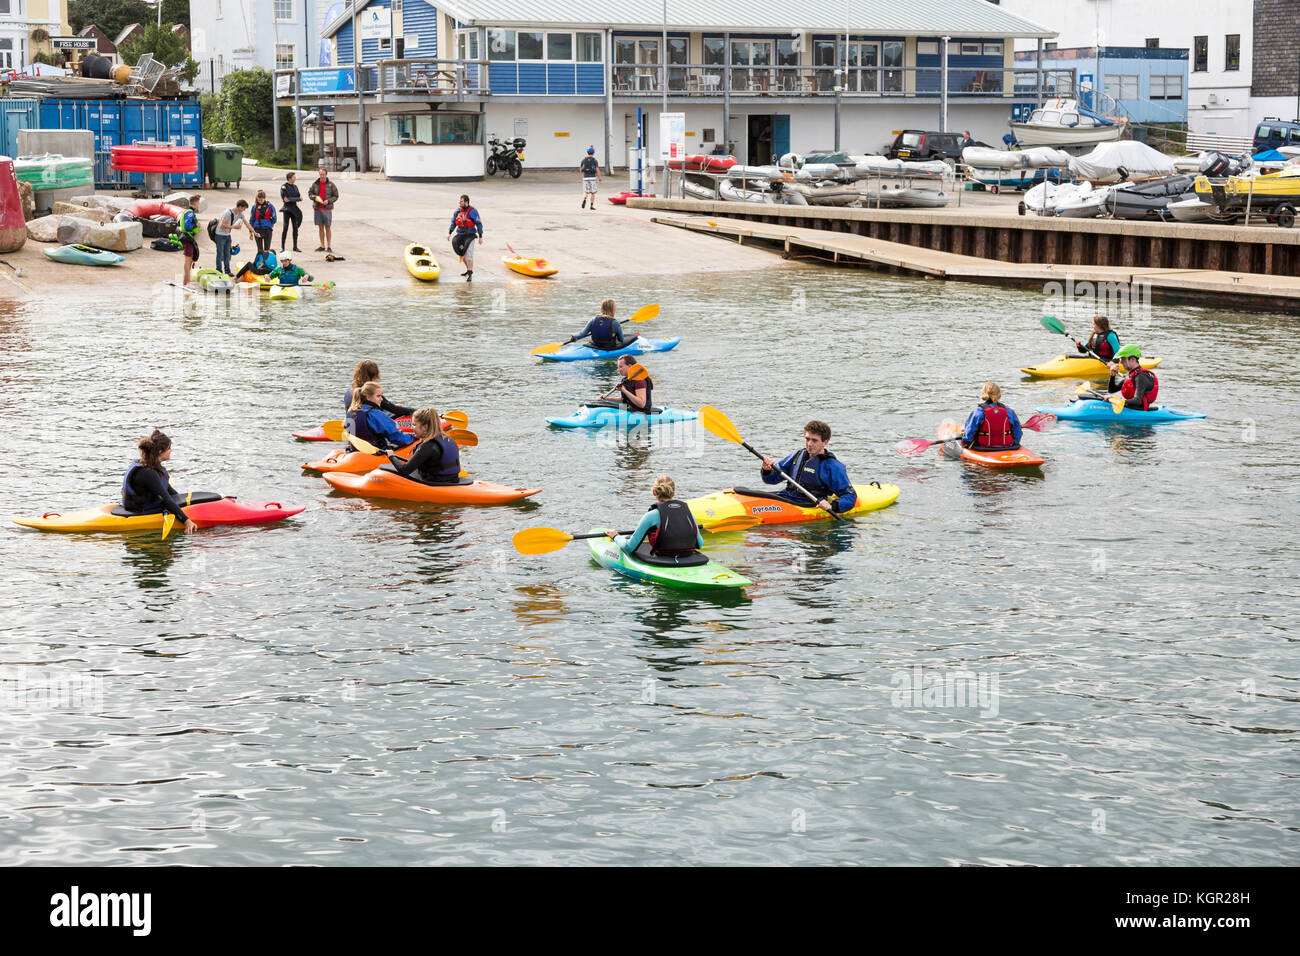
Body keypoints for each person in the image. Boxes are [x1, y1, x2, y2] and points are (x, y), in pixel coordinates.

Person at [760, 419, 857, 514]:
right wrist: (766, 470)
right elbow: (771, 480)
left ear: (825, 442)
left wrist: (833, 506)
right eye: (807, 439)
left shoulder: (832, 466)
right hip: (786, 497)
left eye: (814, 440)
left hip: (809, 503)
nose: (809, 444)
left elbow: (850, 495)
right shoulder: (797, 456)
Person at [604, 475, 703, 559]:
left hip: (663, 559)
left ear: (654, 492)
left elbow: (629, 547)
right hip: (687, 558)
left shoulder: (651, 516)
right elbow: (700, 544)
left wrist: (615, 536)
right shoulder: (687, 512)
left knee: (629, 540)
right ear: (673, 493)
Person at [121, 429, 198, 534]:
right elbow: (166, 499)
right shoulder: (147, 473)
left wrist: (187, 507)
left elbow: (170, 492)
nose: (171, 451)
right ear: (160, 451)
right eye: (169, 448)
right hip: (141, 510)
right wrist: (187, 521)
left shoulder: (155, 468)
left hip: (148, 504)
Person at [383, 407, 461, 484]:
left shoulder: (428, 446)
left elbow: (404, 471)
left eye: (414, 425)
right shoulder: (447, 438)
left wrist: (391, 456)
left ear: (425, 427)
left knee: (382, 472)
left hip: (436, 480)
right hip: (453, 478)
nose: (411, 428)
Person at [345, 381, 415, 451]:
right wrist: (413, 437)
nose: (381, 399)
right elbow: (396, 437)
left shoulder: (351, 412)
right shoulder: (375, 413)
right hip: (374, 452)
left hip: (355, 450)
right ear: (368, 397)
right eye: (378, 396)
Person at [960, 381, 1023, 450]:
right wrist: (1014, 444)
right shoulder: (1009, 411)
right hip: (1008, 447)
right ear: (999, 394)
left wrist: (964, 438)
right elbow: (1018, 433)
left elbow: (968, 436)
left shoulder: (979, 411)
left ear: (984, 393)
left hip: (982, 448)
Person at [343, 359, 415, 417]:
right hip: (369, 428)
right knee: (407, 412)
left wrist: (390, 407)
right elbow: (395, 410)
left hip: (354, 426)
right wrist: (418, 412)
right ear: (374, 377)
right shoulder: (369, 391)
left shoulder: (350, 390)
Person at [573, 298, 638, 352]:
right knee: (632, 337)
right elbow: (621, 339)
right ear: (612, 309)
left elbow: (582, 334)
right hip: (608, 347)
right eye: (615, 307)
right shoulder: (615, 323)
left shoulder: (593, 319)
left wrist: (574, 336)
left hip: (594, 345)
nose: (615, 308)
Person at [1106, 344, 1159, 410]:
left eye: (1123, 359)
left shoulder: (1141, 376)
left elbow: (1137, 400)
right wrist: (1112, 375)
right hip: (1132, 407)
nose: (1121, 362)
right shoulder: (1132, 375)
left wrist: (1117, 401)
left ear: (1132, 359)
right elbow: (1111, 390)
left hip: (1140, 410)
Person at [447, 193, 483, 281]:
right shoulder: (457, 212)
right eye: (460, 201)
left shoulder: (473, 211)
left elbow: (478, 223)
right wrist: (450, 233)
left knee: (469, 256)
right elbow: (453, 223)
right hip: (460, 235)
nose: (459, 202)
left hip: (470, 235)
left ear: (466, 202)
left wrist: (480, 236)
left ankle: (470, 274)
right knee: (463, 257)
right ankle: (468, 270)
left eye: (461, 201)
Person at [214, 199, 253, 276]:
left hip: (227, 235)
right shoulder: (227, 213)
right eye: (244, 208)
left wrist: (254, 232)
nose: (244, 210)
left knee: (227, 254)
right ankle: (218, 271)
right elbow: (222, 225)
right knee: (220, 253)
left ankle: (227, 271)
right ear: (239, 207)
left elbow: (247, 224)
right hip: (220, 235)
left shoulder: (239, 214)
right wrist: (234, 227)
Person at [308, 166, 339, 252]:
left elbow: (336, 196)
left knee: (328, 228)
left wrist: (328, 201)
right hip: (317, 209)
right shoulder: (315, 184)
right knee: (320, 228)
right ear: (319, 174)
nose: (322, 176)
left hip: (327, 209)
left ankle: (329, 246)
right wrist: (315, 197)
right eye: (321, 174)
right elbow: (310, 194)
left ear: (326, 175)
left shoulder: (331, 184)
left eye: (323, 174)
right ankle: (322, 246)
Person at [177, 194, 202, 286]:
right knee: (188, 261)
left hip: (188, 237)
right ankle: (185, 281)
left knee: (190, 260)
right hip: (187, 237)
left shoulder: (188, 212)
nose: (199, 204)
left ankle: (187, 279)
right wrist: (196, 225)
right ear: (195, 203)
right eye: (198, 202)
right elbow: (187, 226)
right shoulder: (190, 212)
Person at [280, 171, 303, 252]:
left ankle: (295, 247)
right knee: (285, 228)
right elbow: (285, 199)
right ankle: (282, 247)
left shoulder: (295, 187)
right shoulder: (284, 187)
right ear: (289, 178)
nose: (295, 178)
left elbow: (299, 197)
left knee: (295, 228)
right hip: (287, 209)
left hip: (294, 209)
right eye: (294, 177)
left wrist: (292, 199)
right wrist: (296, 199)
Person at [250, 189, 276, 254]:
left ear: (264, 198)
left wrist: (270, 223)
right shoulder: (254, 207)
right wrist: (250, 231)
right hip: (257, 230)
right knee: (259, 250)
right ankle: (260, 263)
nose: (260, 201)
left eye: (261, 200)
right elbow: (252, 219)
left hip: (267, 230)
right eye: (259, 200)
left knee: (267, 250)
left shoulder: (270, 206)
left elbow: (274, 217)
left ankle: (266, 263)